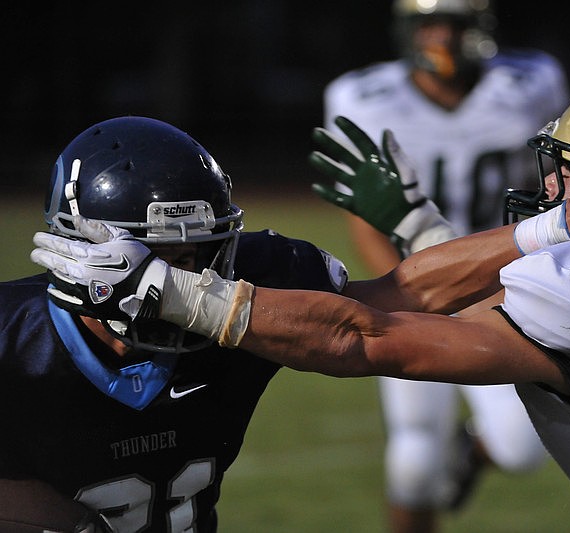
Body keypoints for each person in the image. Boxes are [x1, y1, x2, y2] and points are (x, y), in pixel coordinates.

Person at [34, 75, 570, 531]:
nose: (553, 184)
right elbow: (483, 314)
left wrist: (174, 292)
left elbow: (366, 338)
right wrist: (420, 226)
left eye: (569, 172)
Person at [0, 115, 358, 531]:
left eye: (190, 259)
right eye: (156, 261)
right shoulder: (14, 339)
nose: (177, 283)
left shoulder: (238, 299)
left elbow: (379, 322)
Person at [322, 1, 570, 527]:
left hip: (509, 284)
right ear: (407, 30)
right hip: (421, 283)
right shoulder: (360, 96)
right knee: (414, 459)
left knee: (522, 448)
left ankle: (471, 451)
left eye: (455, 24)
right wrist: (405, 292)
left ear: (478, 27)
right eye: (428, 24)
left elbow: (558, 180)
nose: (442, 37)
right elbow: (366, 214)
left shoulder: (532, 82)